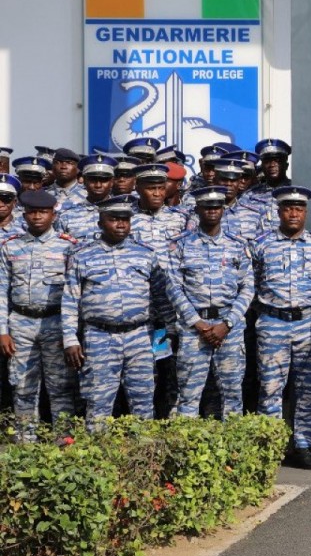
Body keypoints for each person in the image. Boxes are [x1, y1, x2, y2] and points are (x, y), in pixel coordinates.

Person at [250, 186, 311, 469]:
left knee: (307, 388)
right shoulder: (260, 245)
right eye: (288, 208)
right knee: (271, 388)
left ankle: (303, 446)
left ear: (306, 212)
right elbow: (252, 284)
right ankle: (270, 448)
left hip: (309, 324)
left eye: (299, 209)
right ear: (279, 211)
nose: (294, 213)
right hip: (273, 322)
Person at [61, 195, 161, 429]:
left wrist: (166, 331)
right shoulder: (82, 255)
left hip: (140, 336)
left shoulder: (145, 254)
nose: (120, 224)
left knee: (144, 402)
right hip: (99, 337)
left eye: (125, 219)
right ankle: (99, 460)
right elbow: (70, 300)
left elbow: (160, 296)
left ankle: (145, 457)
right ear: (100, 222)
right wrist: (69, 338)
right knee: (98, 403)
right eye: (113, 219)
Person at [165, 186, 254, 419]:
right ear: (197, 209)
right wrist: (197, 323)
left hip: (229, 327)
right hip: (194, 328)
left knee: (232, 394)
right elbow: (173, 287)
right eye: (207, 207)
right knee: (188, 395)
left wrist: (228, 323)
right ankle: (187, 451)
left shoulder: (238, 244)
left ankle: (233, 452)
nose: (212, 211)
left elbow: (248, 288)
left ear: (223, 209)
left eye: (217, 207)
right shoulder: (180, 245)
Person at [0, 191, 80, 439]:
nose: (37, 217)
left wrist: (71, 335)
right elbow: (1, 290)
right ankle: (26, 446)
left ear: (53, 215)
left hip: (56, 323)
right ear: (24, 214)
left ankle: (64, 444)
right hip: (20, 324)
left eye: (43, 212)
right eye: (32, 212)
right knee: (23, 387)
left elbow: (75, 293)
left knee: (61, 388)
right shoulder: (10, 246)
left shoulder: (69, 246)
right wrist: (2, 330)